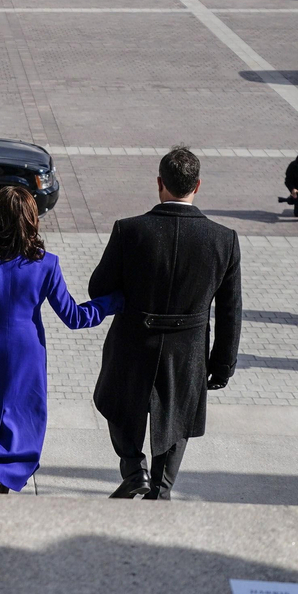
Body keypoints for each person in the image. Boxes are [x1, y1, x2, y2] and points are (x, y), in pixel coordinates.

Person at [0, 187, 119, 494]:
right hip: (28, 355)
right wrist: (112, 302)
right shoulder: (46, 264)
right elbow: (74, 317)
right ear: (31, 220)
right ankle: (2, 477)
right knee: (20, 423)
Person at [88, 147, 242, 500]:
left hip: (132, 342)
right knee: (177, 418)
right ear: (198, 185)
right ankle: (160, 488)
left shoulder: (130, 230)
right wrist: (222, 366)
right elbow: (231, 311)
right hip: (187, 352)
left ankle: (133, 469)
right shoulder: (224, 239)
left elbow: (99, 287)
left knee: (118, 403)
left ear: (160, 183)